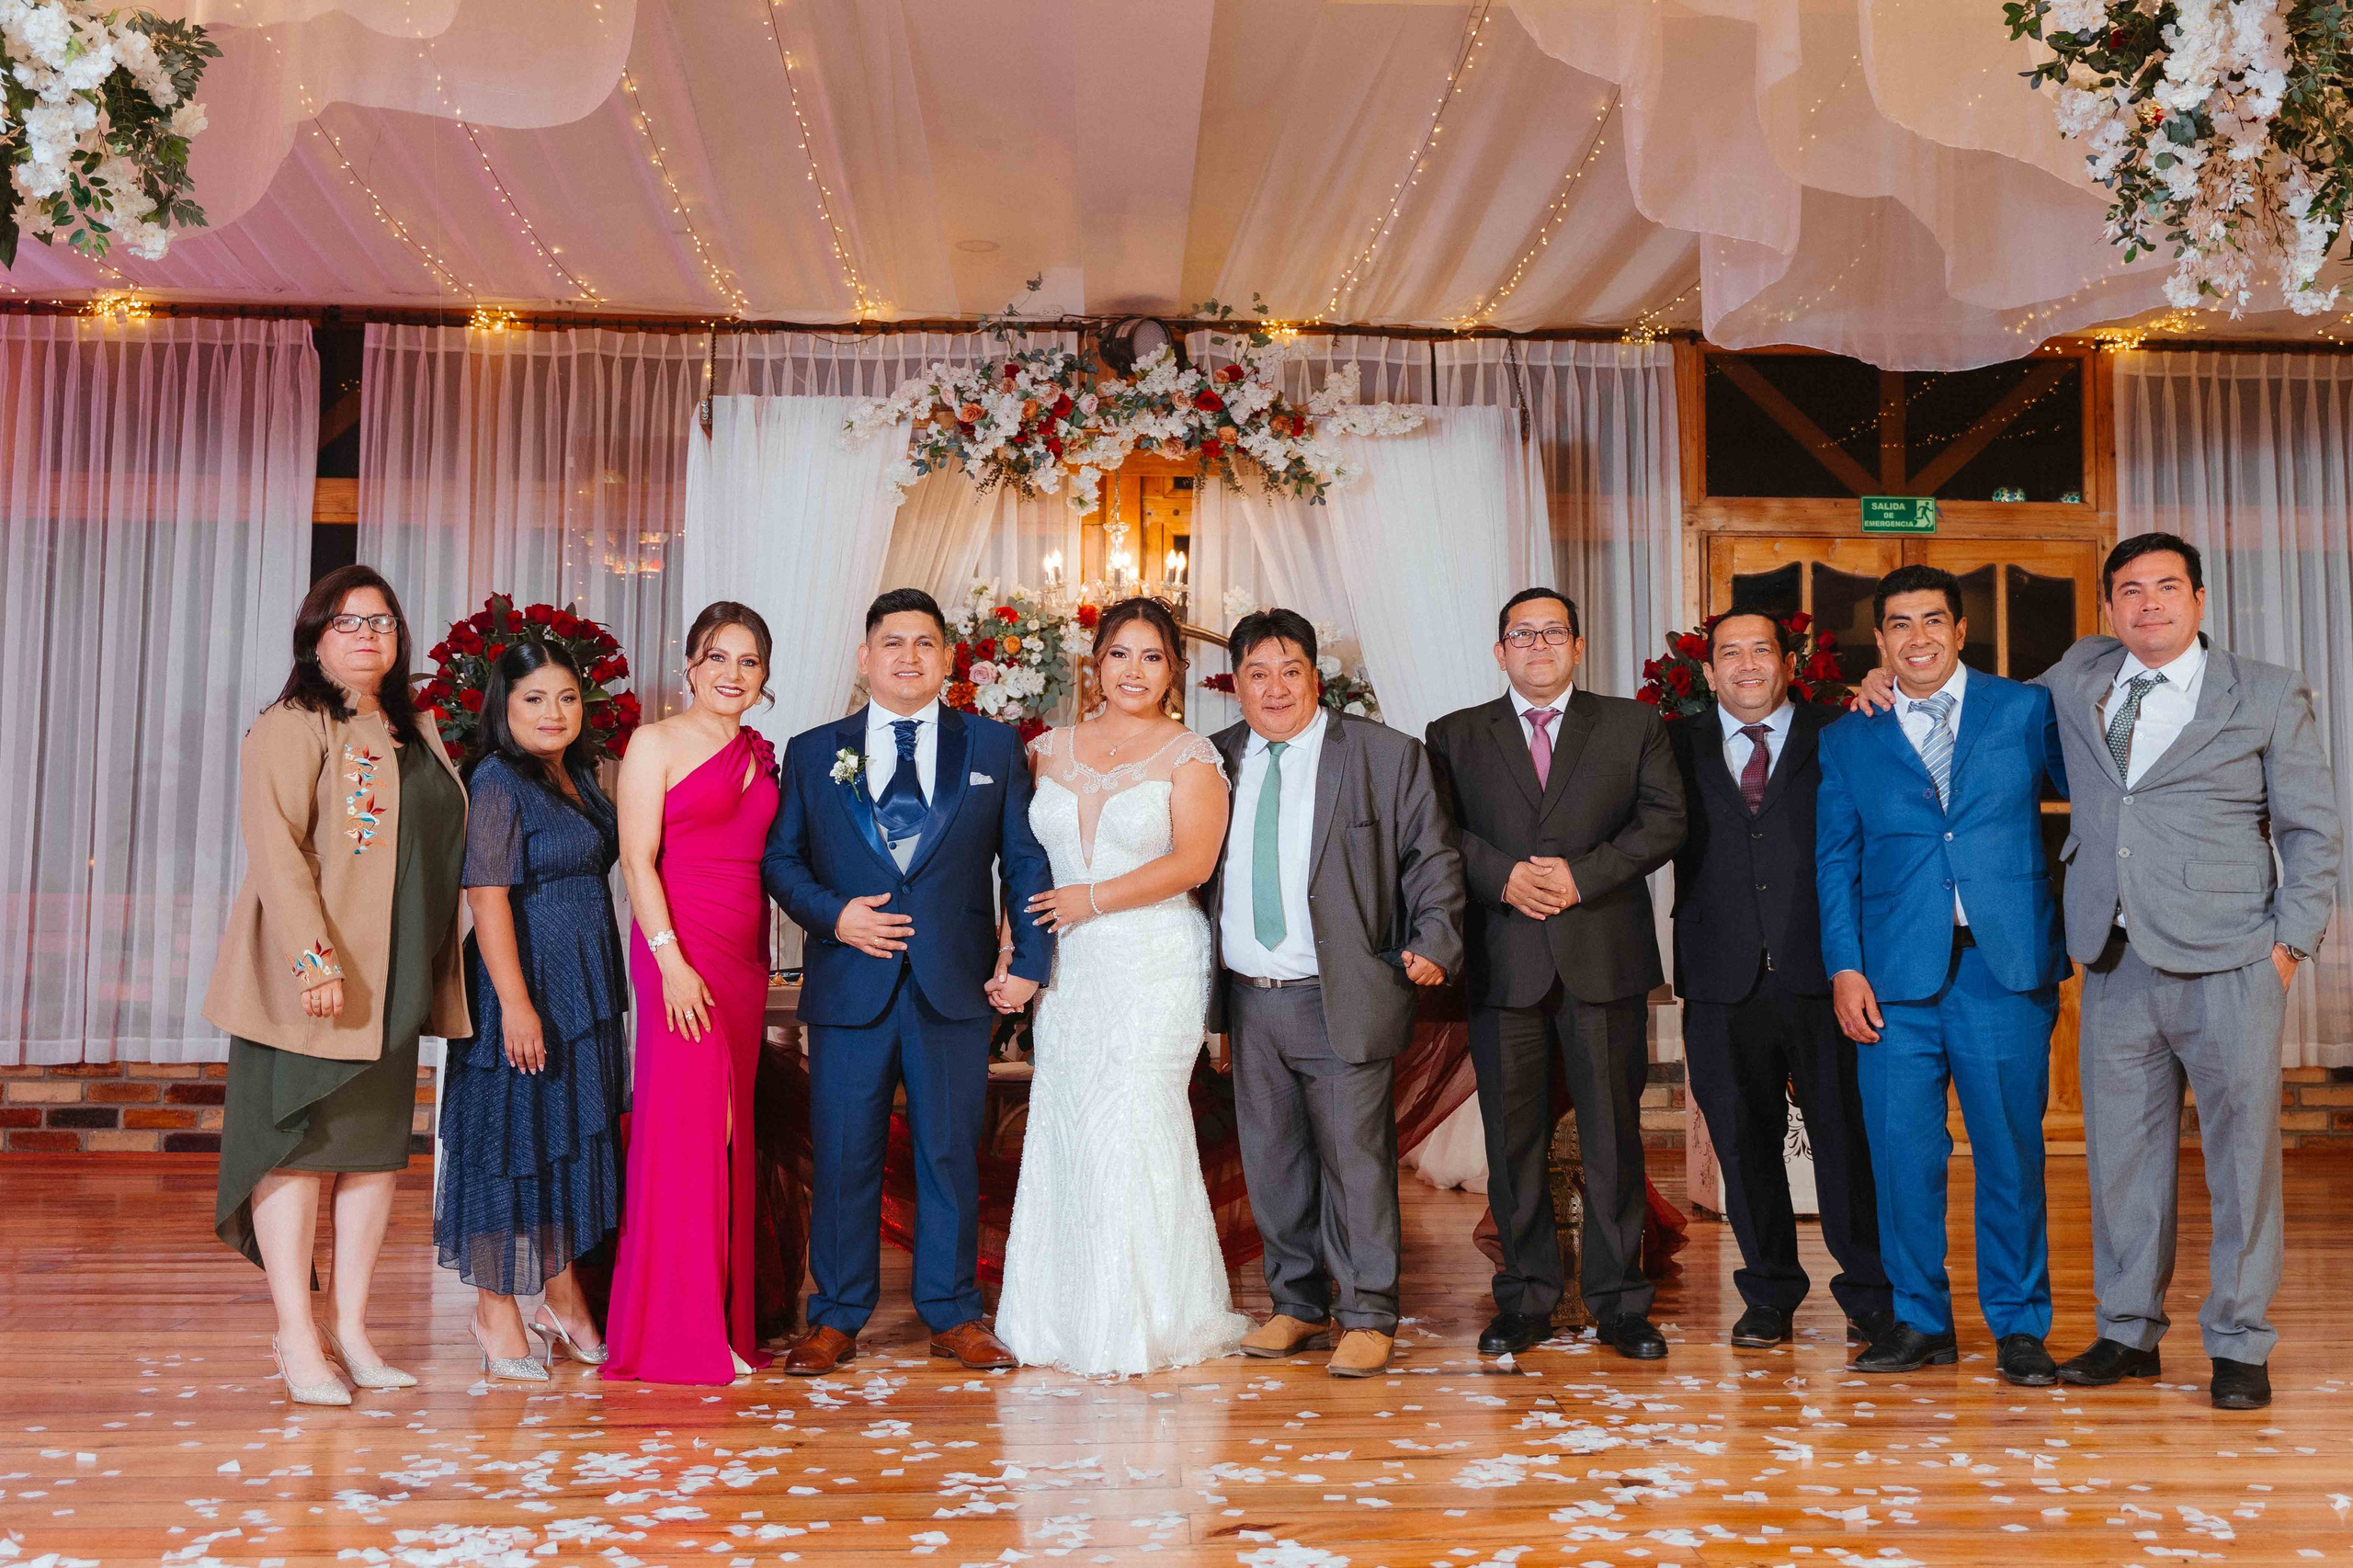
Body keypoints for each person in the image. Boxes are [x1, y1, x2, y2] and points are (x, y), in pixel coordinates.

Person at [1858, 534, 2342, 1410]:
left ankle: (2238, 1343)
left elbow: (2311, 832)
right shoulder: (2081, 675)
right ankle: (2128, 1333)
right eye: (2129, 591)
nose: (2148, 604)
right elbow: (1973, 704)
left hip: (2232, 957)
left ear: (2198, 597)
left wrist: (2288, 945)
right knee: (2122, 1161)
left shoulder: (2265, 691)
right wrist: (1888, 683)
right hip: (2113, 962)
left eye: (2165, 588)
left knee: (2240, 1162)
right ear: (2108, 607)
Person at [764, 587, 1055, 1376]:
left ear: (947, 659)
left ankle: (954, 1313)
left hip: (953, 987)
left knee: (949, 1153)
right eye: (892, 643)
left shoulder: (993, 749)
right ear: (865, 658)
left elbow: (1025, 863)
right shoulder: (814, 749)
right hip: (849, 985)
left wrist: (1028, 961)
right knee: (846, 1156)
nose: (908, 657)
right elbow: (781, 861)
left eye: (925, 643)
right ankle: (835, 1316)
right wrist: (837, 917)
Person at [205, 564, 470, 1406]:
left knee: (370, 1155)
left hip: (392, 976)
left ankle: (351, 1329)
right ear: (315, 638)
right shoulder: (291, 724)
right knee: (301, 1148)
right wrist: (312, 959)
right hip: (313, 977)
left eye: (384, 622)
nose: (370, 637)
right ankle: (295, 1332)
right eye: (351, 623)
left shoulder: (412, 726)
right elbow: (278, 851)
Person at [1816, 564, 2069, 1387]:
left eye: (1933, 621)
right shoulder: (1850, 734)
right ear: (1880, 640)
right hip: (1893, 979)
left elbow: (2101, 802)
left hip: (2005, 971)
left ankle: (2020, 1326)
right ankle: (1922, 1322)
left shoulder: (2027, 710)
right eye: (1899, 624)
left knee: (2010, 1155)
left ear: (1961, 631)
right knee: (1901, 1160)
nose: (1917, 637)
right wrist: (1845, 967)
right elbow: (1836, 859)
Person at [1426, 588, 1686, 1361]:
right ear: (1499, 651)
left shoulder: (1634, 725)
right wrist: (1504, 876)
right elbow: (1438, 830)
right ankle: (1527, 1299)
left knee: (1613, 1136)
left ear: (1577, 646)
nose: (1537, 645)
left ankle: (1619, 1305)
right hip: (1505, 961)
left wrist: (1583, 876)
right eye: (1521, 634)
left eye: (1552, 632)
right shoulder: (1454, 735)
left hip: (1602, 956)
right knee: (1512, 1143)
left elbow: (1666, 819)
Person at [993, 597, 1251, 1375]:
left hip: (1151, 960)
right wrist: (1016, 947)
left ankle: (1149, 1319)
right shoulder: (1045, 750)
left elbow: (1193, 865)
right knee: (1068, 1122)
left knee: (1136, 1121)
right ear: (1095, 664)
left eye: (1151, 657)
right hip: (1071, 970)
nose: (1134, 671)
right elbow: (1025, 866)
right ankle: (1058, 1316)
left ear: (1172, 671)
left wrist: (1092, 901)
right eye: (1120, 655)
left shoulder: (1191, 755)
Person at [1209, 608, 1463, 1380]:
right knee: (1273, 1160)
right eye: (1258, 673)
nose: (1275, 687)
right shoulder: (1213, 761)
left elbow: (1432, 856)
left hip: (1342, 989)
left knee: (1355, 1160)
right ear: (1237, 686)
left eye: (1290, 671)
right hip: (1249, 998)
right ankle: (1297, 1304)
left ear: (1316, 678)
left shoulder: (1384, 756)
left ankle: (1368, 1312)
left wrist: (1436, 937)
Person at [1665, 610, 1892, 1352]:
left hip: (1824, 973)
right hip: (1719, 977)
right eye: (1728, 653)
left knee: (1844, 1139)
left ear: (1788, 663)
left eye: (1760, 649)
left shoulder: (1844, 729)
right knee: (1743, 1143)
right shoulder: (1672, 743)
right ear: (1708, 672)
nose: (1746, 665)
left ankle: (1868, 1292)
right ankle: (1768, 1294)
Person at [436, 642, 628, 1382]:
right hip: (523, 982)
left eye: (567, 699)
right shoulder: (495, 780)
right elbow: (485, 896)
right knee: (509, 1140)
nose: (554, 713)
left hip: (582, 980)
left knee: (566, 1138)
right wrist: (515, 1005)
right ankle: (493, 1310)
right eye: (535, 700)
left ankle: (561, 1293)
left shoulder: (575, 775)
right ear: (504, 708)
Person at [602, 602, 780, 1385]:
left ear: (764, 675)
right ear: (689, 666)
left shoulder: (759, 752)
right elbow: (637, 861)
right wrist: (671, 961)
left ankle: (725, 1324)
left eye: (747, 661)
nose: (731, 674)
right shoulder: (654, 742)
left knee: (733, 1136)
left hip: (742, 959)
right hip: (679, 948)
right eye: (717, 658)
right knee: (684, 1134)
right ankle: (674, 1333)